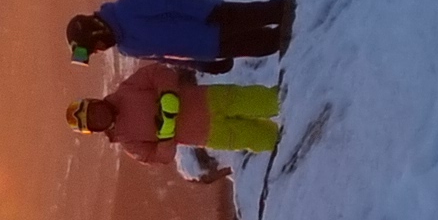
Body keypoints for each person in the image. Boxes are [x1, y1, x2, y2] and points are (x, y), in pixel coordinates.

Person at [69, 66, 285, 165]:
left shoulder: (127, 90)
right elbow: (160, 157)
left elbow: (159, 73)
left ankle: (300, 100)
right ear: (97, 130)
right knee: (265, 140)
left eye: (96, 112)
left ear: (96, 102)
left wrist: (168, 94)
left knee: (270, 101)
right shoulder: (128, 142)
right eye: (96, 122)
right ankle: (292, 145)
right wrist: (166, 135)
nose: (101, 118)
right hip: (209, 134)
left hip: (210, 99)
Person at [64, 0, 296, 64]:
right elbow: (166, 56)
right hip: (211, 49)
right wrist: (202, 65)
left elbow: (172, 1)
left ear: (96, 30)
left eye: (95, 46)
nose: (99, 50)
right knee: (267, 45)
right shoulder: (126, 48)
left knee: (270, 12)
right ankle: (309, 36)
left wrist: (208, 11)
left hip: (212, 20)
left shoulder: (128, 6)